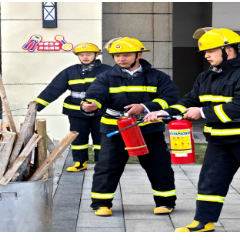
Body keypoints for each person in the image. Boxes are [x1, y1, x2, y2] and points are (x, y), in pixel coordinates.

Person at [144, 28, 240, 232]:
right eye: (204, 51)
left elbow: (238, 106)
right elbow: (189, 101)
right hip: (220, 141)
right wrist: (165, 112)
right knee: (210, 183)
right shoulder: (205, 77)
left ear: (229, 49)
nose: (206, 55)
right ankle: (203, 222)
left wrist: (203, 113)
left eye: (211, 50)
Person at [81, 37, 179, 216]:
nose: (121, 59)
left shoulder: (158, 77)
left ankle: (165, 202)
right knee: (107, 167)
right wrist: (91, 104)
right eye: (117, 55)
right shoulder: (105, 77)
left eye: (126, 55)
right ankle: (101, 204)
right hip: (115, 130)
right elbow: (95, 94)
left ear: (139, 55)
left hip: (148, 129)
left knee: (159, 166)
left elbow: (170, 98)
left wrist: (145, 107)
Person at [34, 43, 111, 172]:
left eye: (88, 54)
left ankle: (102, 164)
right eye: (81, 54)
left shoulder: (107, 70)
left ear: (97, 54)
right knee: (78, 137)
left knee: (101, 137)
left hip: (100, 110)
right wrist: (36, 105)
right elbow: (54, 89)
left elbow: (115, 90)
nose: (85, 57)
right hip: (76, 111)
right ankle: (80, 163)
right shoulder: (70, 71)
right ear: (78, 56)